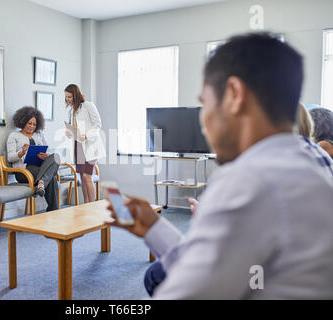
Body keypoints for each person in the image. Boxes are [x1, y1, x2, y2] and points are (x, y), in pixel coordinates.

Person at [106, 33, 333, 299]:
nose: (204, 124)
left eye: (205, 103)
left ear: (235, 95)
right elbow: (211, 268)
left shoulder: (247, 180)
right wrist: (155, 228)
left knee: (154, 277)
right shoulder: (318, 158)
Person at [6, 106, 60, 211]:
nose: (31, 126)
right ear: (23, 121)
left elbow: (48, 152)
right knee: (52, 178)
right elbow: (10, 158)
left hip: (40, 167)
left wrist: (46, 156)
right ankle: (54, 210)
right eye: (29, 123)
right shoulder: (14, 136)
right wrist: (21, 152)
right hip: (24, 171)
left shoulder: (40, 135)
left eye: (34, 124)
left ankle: (41, 183)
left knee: (56, 157)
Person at [64, 84, 106, 203]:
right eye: (66, 97)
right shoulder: (72, 110)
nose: (67, 99)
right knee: (82, 177)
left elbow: (97, 124)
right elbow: (75, 128)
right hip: (78, 145)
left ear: (76, 95)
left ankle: (91, 205)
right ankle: (86, 204)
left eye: (70, 97)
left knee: (87, 176)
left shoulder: (88, 106)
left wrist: (87, 135)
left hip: (90, 145)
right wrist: (69, 132)